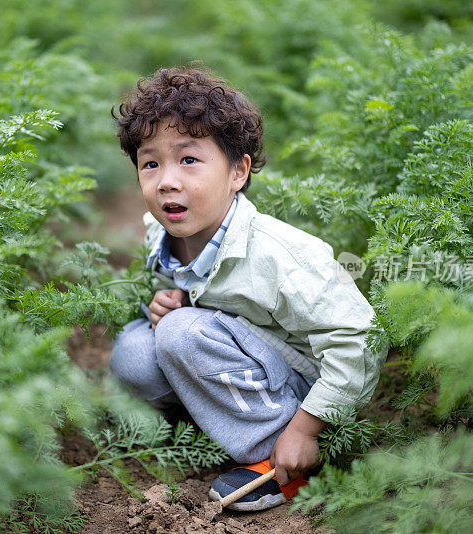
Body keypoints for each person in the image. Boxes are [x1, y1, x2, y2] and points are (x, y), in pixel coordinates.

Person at [109, 66, 386, 511]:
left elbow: (360, 338)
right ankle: (203, 429)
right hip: (236, 360)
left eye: (189, 159)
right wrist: (169, 298)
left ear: (238, 172)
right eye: (150, 163)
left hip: (301, 393)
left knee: (181, 333)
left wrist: (307, 427)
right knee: (135, 354)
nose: (166, 181)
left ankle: (283, 457)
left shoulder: (282, 256)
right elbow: (180, 292)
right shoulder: (160, 234)